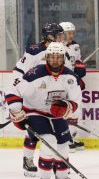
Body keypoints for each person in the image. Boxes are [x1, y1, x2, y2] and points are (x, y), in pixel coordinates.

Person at [5, 42, 82, 179]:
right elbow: (12, 90)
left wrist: (66, 106)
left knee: (63, 145)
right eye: (52, 57)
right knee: (49, 140)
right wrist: (16, 111)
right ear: (46, 57)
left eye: (58, 57)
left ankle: (62, 176)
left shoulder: (70, 77)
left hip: (55, 115)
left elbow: (76, 100)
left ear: (63, 58)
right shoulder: (34, 74)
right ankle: (45, 176)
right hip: (34, 111)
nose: (55, 60)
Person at [12, 22, 64, 177]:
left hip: (51, 98)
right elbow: (18, 72)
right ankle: (28, 160)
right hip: (33, 97)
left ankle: (56, 162)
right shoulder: (34, 51)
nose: (62, 37)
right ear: (50, 36)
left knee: (56, 133)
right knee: (33, 131)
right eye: (58, 35)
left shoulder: (61, 50)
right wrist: (19, 95)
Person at [59, 22, 86, 152]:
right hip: (61, 82)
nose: (71, 35)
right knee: (65, 110)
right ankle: (65, 139)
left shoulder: (75, 46)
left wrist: (79, 69)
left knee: (76, 109)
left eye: (72, 33)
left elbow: (76, 62)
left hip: (72, 82)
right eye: (68, 33)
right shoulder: (56, 47)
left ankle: (71, 137)